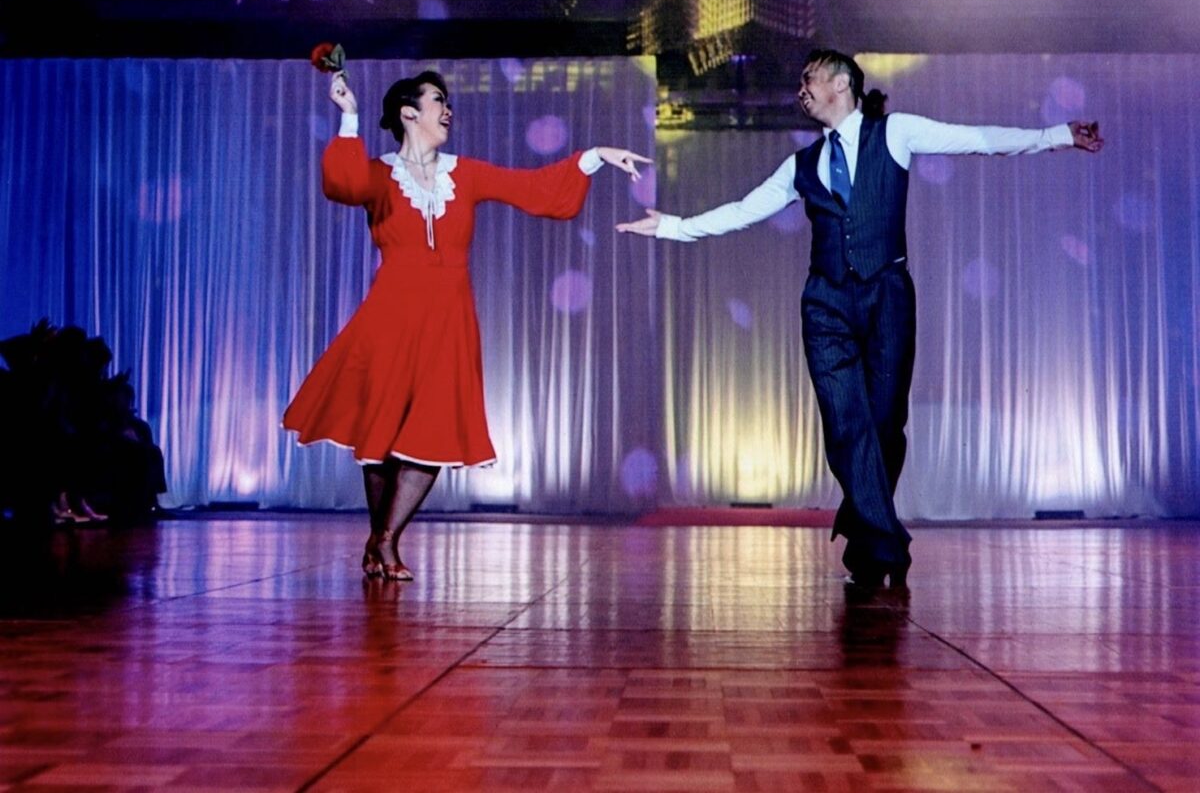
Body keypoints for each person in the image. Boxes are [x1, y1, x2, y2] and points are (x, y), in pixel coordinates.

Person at [617, 49, 1103, 591]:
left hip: (887, 296)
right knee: (846, 426)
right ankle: (887, 543)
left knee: (885, 425)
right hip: (825, 305)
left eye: (809, 78)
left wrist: (1058, 134)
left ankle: (865, 534)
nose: (800, 89)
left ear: (841, 83)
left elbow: (979, 139)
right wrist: (672, 226)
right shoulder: (802, 165)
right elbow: (743, 210)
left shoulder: (895, 132)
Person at [284, 68, 650, 581]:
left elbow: (535, 189)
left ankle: (384, 540)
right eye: (438, 100)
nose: (448, 109)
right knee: (381, 437)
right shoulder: (381, 174)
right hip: (390, 316)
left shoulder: (465, 173)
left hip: (448, 319)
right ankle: (379, 542)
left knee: (432, 430)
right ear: (409, 113)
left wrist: (595, 155)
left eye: (447, 100)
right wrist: (349, 116)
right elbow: (342, 184)